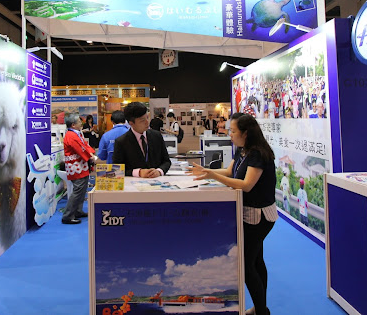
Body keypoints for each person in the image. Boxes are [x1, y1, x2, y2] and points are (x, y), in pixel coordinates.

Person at [187, 113, 277, 315]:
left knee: (247, 265)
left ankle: (261, 311)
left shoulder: (257, 154)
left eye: (233, 131)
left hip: (259, 216)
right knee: (256, 260)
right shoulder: (242, 150)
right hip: (249, 213)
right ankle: (261, 308)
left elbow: (246, 185)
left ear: (245, 133)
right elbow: (230, 172)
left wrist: (213, 175)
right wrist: (207, 171)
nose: (230, 134)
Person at [113, 102, 171, 178]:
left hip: (157, 181)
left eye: (147, 117)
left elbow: (166, 161)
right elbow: (117, 169)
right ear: (131, 123)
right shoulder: (121, 142)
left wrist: (159, 171)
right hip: (134, 183)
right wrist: (138, 172)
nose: (147, 122)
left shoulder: (156, 136)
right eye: (142, 120)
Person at [62, 113, 99, 224]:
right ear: (73, 125)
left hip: (81, 165)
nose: (81, 123)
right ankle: (68, 216)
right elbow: (81, 149)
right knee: (78, 191)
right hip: (76, 166)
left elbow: (85, 146)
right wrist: (91, 157)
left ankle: (78, 211)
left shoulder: (76, 133)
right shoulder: (71, 136)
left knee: (82, 190)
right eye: (79, 121)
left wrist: (91, 154)